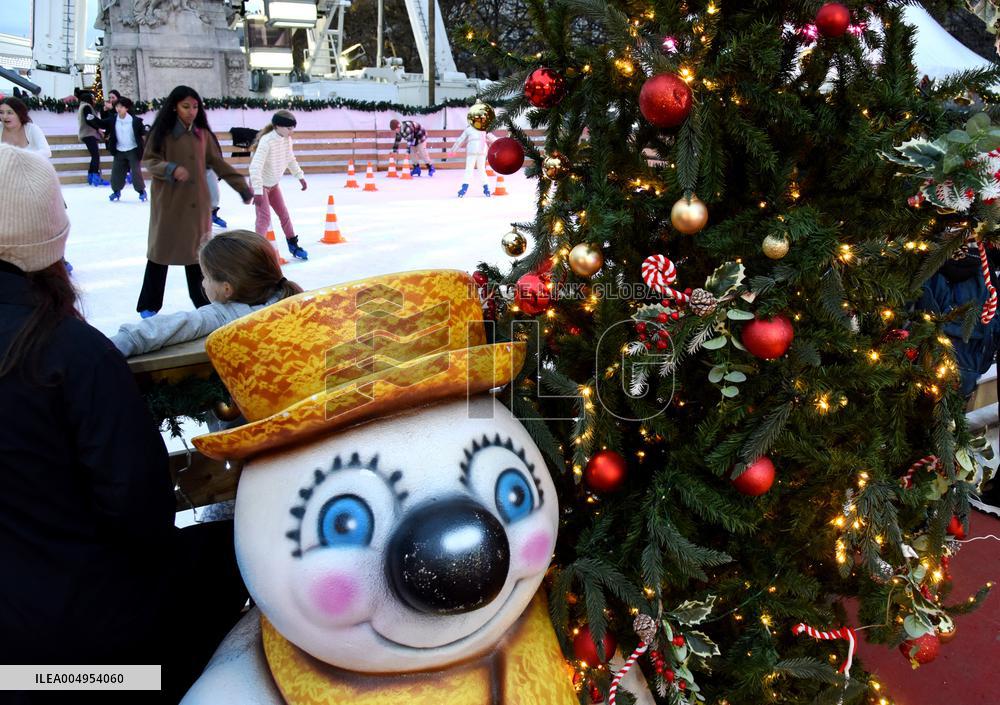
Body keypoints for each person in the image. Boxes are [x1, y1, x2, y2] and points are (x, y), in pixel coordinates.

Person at [139, 85, 252, 318]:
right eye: (185, 106)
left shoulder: (202, 134)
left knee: (197, 255)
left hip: (197, 205)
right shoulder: (162, 133)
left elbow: (218, 163)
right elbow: (150, 160)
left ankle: (203, 303)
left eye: (195, 106)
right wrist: (170, 169)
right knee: (160, 254)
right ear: (174, 107)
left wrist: (240, 185)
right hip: (170, 204)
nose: (191, 111)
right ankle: (149, 305)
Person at [111, 230, 303, 357]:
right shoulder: (297, 301)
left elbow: (167, 327)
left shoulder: (223, 316)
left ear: (226, 289)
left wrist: (115, 344)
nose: (203, 283)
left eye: (206, 277)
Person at [249, 109, 308, 260]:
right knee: (264, 218)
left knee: (284, 214)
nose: (292, 131)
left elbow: (290, 159)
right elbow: (255, 167)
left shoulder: (287, 139)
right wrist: (257, 191)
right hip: (260, 185)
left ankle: (293, 244)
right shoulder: (267, 141)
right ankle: (256, 252)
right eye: (289, 128)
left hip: (273, 184)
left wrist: (300, 176)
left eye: (293, 128)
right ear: (277, 126)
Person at [87, 96, 147, 203]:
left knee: (136, 172)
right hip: (119, 150)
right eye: (117, 106)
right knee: (116, 172)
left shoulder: (135, 121)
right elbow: (102, 123)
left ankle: (141, 191)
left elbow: (143, 131)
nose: (118, 109)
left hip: (133, 150)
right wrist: (93, 119)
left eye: (121, 107)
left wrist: (147, 131)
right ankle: (116, 191)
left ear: (127, 108)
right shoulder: (113, 120)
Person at [448, 123, 496, 198]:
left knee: (469, 170)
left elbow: (460, 140)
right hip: (482, 151)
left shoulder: (469, 129)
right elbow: (493, 138)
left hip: (472, 151)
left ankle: (464, 188)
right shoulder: (483, 128)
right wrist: (502, 143)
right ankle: (486, 188)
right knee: (482, 170)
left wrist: (452, 151)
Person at [76, 89, 108, 186]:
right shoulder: (86, 107)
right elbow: (89, 119)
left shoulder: (82, 106)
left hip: (86, 134)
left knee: (94, 155)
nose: (94, 101)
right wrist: (98, 128)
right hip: (88, 134)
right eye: (92, 99)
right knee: (95, 155)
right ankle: (95, 177)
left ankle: (91, 176)